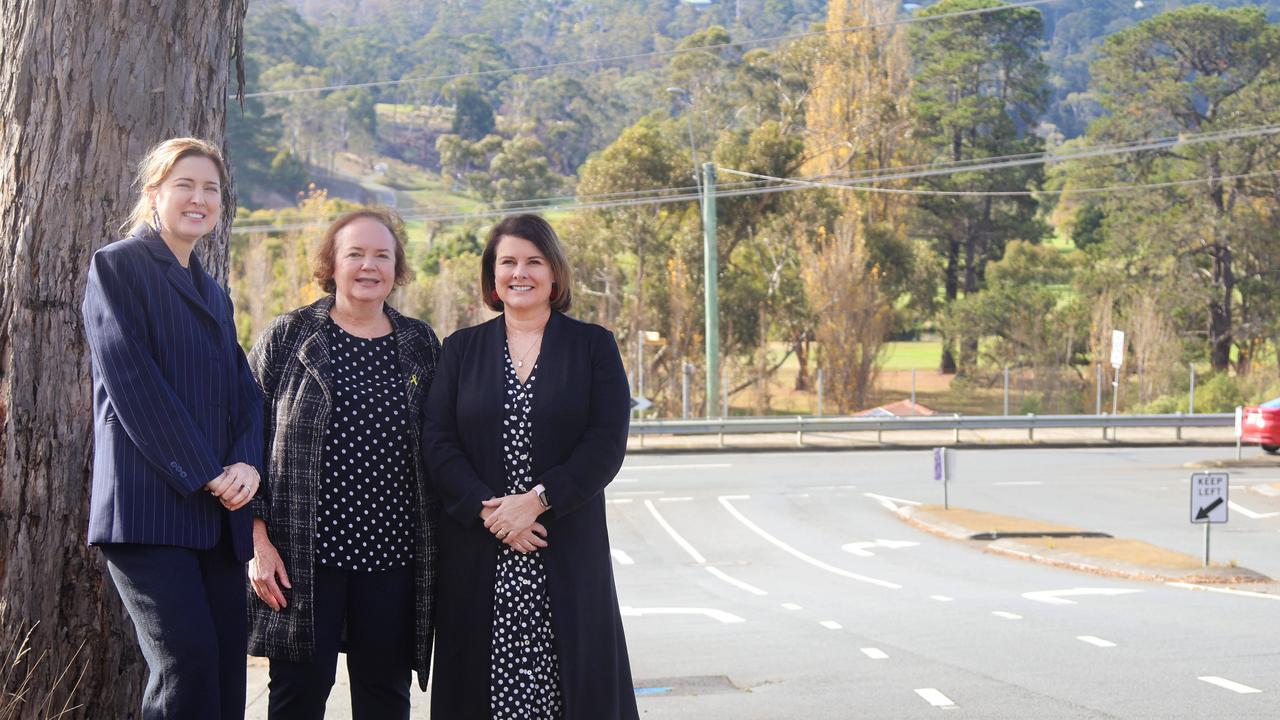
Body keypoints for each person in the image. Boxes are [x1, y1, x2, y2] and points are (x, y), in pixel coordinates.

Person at [422, 213, 639, 720]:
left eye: (533, 261)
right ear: (492, 277)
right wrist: (493, 514)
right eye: (508, 262)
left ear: (555, 274)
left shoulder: (593, 347)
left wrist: (537, 503)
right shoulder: (460, 349)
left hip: (562, 545)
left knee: (570, 693)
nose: (520, 273)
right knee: (480, 691)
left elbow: (606, 443)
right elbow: (438, 441)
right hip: (481, 550)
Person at [82, 137, 263, 720]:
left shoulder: (214, 292)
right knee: (184, 665)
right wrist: (209, 472)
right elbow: (135, 386)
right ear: (153, 193)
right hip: (147, 514)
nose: (199, 198)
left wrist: (245, 464)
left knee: (222, 670)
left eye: (210, 188)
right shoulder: (118, 266)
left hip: (218, 517)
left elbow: (245, 394)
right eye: (184, 184)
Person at [246, 207, 441, 720]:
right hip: (303, 560)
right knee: (297, 698)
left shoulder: (421, 344)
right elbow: (242, 442)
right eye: (354, 253)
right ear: (331, 264)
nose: (368, 265)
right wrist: (257, 541)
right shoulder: (289, 336)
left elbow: (443, 443)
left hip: (394, 561)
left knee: (385, 700)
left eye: (382, 255)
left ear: (397, 269)